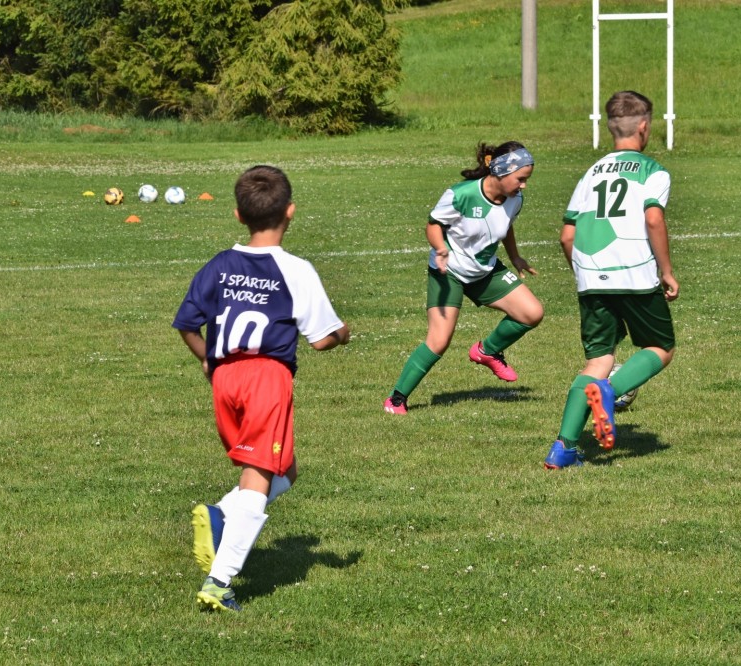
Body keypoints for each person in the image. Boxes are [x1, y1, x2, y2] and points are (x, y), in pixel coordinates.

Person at [172, 165, 351, 611]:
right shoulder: (296, 270)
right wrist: (343, 334)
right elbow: (322, 339)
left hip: (225, 377)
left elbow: (187, 323)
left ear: (238, 215)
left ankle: (221, 515)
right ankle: (220, 580)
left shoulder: (219, 264)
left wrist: (209, 361)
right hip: (266, 377)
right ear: (290, 211)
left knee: (285, 469)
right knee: (258, 476)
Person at [544, 91, 679, 469]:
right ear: (644, 126)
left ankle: (563, 449)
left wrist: (584, 274)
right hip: (634, 271)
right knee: (660, 346)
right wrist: (666, 271)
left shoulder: (590, 173)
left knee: (598, 359)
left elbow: (567, 236)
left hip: (590, 274)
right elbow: (653, 218)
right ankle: (609, 392)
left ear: (610, 128)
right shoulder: (653, 171)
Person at [383, 141, 543, 414]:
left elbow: (506, 226)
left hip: (485, 271)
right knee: (439, 340)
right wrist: (440, 248)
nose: (524, 185)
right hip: (449, 271)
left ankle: (487, 351)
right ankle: (396, 399)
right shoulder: (462, 194)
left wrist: (515, 257)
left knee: (532, 313)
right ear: (501, 171)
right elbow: (433, 226)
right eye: (520, 179)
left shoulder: (515, 200)